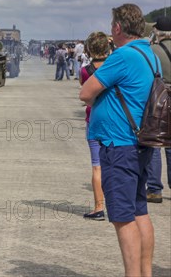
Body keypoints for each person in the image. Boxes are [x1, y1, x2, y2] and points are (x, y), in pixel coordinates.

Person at [79, 4, 158, 277]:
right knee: (139, 212)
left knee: (122, 218)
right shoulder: (149, 53)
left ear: (117, 28)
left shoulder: (122, 56)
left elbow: (86, 93)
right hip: (140, 142)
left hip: (119, 144)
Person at [79, 32, 110, 220]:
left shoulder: (85, 71)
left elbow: (86, 93)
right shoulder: (116, 67)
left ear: (89, 49)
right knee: (116, 165)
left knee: (97, 166)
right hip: (117, 122)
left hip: (94, 121)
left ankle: (99, 208)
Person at [145, 15, 171, 203]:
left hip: (159, 99)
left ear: (158, 32)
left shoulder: (152, 50)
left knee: (155, 143)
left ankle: (154, 189)